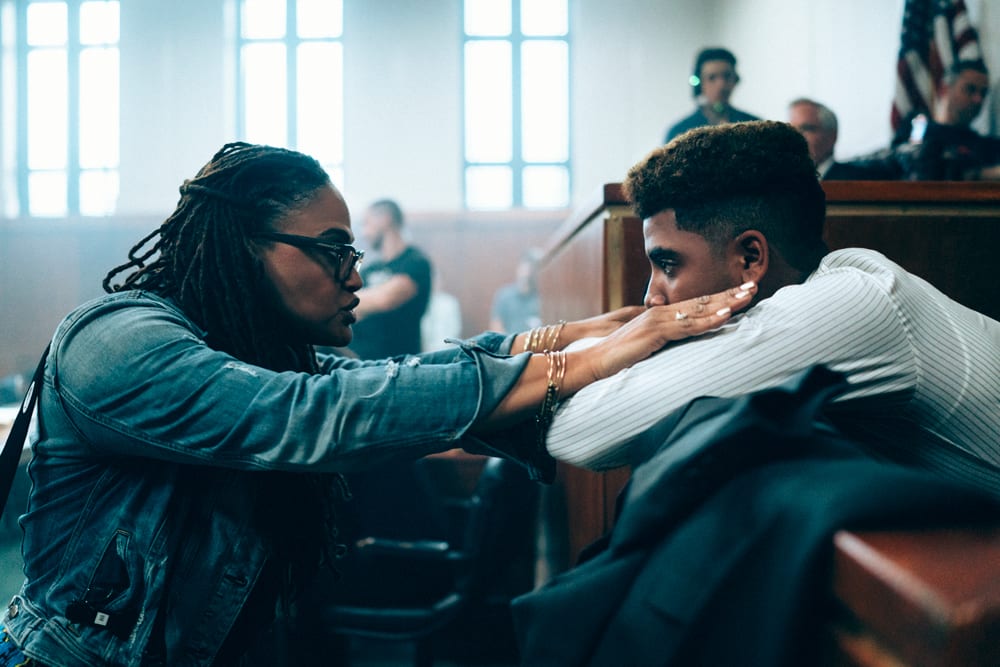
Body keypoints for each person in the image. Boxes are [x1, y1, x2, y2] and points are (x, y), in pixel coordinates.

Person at [0, 141, 756, 665]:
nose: (353, 275)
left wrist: (593, 330)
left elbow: (397, 372)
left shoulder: (268, 350)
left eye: (355, 253)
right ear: (243, 244)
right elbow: (304, 414)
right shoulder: (119, 339)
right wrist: (570, 363)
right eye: (333, 249)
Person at [543, 121, 1000, 498]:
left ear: (750, 259)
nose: (651, 297)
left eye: (667, 264)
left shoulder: (853, 305)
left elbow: (580, 432)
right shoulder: (832, 288)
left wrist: (600, 355)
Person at [348, 198, 432, 359]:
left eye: (367, 223)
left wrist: (341, 300)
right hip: (358, 361)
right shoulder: (371, 269)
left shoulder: (415, 261)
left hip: (396, 364)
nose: (364, 232)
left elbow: (385, 299)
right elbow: (349, 312)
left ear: (384, 219)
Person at [899, 59, 1000, 181]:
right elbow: (907, 165)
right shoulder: (918, 128)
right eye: (970, 89)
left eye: (983, 93)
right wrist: (976, 174)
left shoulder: (984, 146)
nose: (978, 99)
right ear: (945, 89)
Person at [664, 47, 760, 143]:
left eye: (727, 76)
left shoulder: (756, 128)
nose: (721, 85)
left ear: (735, 80)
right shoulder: (679, 133)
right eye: (712, 78)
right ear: (699, 84)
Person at [788, 97, 900, 180]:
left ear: (831, 136)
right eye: (791, 129)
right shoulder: (783, 183)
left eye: (806, 129)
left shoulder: (861, 179)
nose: (795, 136)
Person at [489, 247, 543, 333]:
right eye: (525, 267)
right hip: (510, 344)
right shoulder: (504, 296)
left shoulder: (541, 297)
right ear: (519, 267)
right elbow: (496, 328)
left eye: (533, 268)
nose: (527, 273)